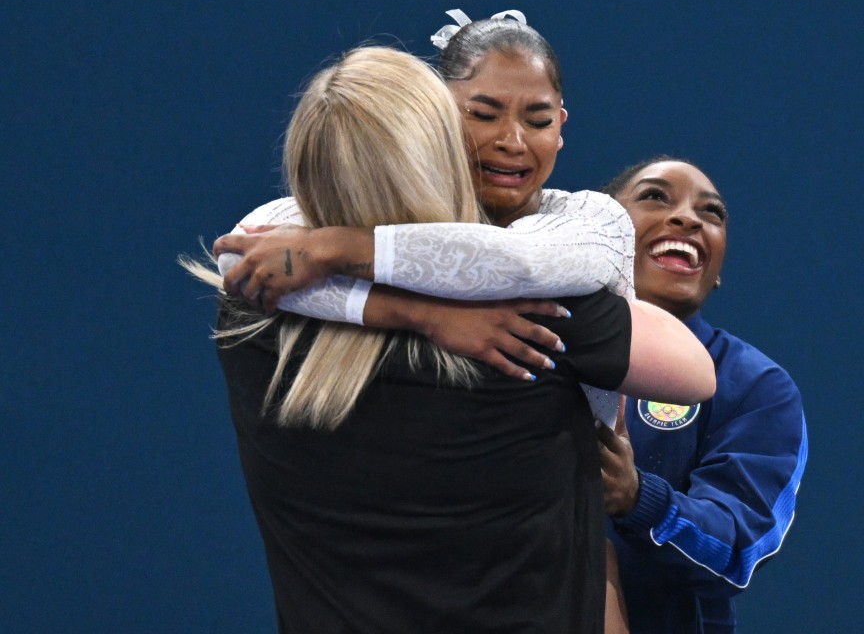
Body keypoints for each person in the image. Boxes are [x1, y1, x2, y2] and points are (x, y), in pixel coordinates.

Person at [185, 47, 716, 633]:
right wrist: (432, 309)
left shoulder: (251, 307)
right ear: (440, 150)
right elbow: (693, 371)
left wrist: (400, 304)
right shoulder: (533, 321)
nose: (507, 141)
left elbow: (251, 242)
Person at [213, 10, 636, 395]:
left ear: (560, 125)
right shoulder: (393, 218)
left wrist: (332, 249)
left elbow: (517, 263)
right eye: (483, 116)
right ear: (435, 118)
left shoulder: (594, 219)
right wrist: (423, 315)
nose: (513, 141)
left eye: (538, 121)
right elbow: (238, 256)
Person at [597, 157, 808, 634]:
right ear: (599, 227)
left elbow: (738, 549)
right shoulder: (526, 334)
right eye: (655, 196)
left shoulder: (755, 386)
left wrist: (635, 497)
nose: (689, 218)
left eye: (711, 213)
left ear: (717, 269)